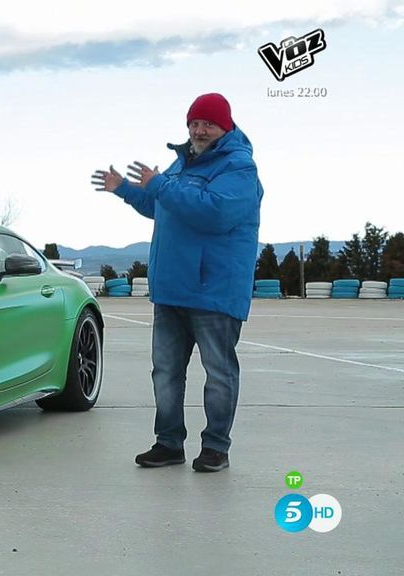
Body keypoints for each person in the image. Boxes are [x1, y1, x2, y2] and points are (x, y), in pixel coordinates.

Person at [91, 92, 263, 472]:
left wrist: (160, 185)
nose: (199, 130)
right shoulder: (183, 163)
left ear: (225, 127)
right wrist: (125, 188)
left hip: (213, 290)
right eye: (194, 123)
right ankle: (168, 442)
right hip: (172, 288)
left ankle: (216, 446)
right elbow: (161, 203)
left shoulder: (239, 168)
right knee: (165, 370)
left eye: (208, 123)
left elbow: (213, 212)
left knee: (218, 373)